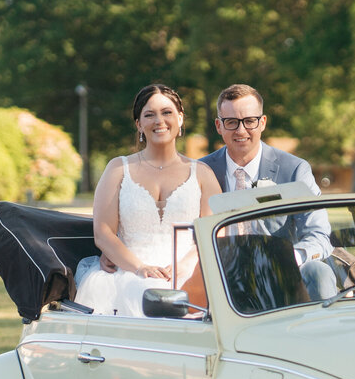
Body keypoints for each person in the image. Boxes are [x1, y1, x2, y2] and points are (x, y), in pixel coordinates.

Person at [74, 84, 220, 316]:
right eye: (149, 115)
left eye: (167, 112)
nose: (159, 120)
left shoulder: (202, 173)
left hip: (187, 272)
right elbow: (103, 233)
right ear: (139, 124)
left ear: (180, 118)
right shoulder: (118, 169)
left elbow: (216, 232)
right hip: (129, 273)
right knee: (145, 293)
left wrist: (185, 265)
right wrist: (139, 268)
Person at [200, 83, 337, 299]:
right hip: (220, 277)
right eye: (232, 122)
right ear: (219, 126)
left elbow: (319, 234)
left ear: (262, 122)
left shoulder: (294, 170)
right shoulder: (202, 171)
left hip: (281, 277)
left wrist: (292, 257)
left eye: (250, 121)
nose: (241, 130)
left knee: (319, 271)